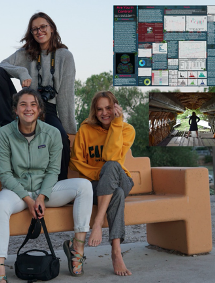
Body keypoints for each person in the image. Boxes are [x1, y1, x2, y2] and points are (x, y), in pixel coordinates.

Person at [0, 88, 92, 283]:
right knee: (0, 205)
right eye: (23, 104)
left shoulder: (52, 133)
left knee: (84, 186)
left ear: (40, 110)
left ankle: (76, 250)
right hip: (17, 191)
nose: (28, 109)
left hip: (46, 190)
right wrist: (29, 200)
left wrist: (42, 197)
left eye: (33, 105)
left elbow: (54, 170)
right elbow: (4, 174)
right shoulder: (5, 133)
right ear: (16, 110)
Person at [0, 12, 76, 181]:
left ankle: (59, 186)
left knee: (61, 138)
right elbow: (1, 66)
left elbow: (66, 95)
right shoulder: (25, 53)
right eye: (34, 29)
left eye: (43, 26)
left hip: (47, 109)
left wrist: (69, 130)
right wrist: (22, 72)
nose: (39, 31)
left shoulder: (65, 56)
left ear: (51, 28)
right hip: (25, 106)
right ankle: (10, 125)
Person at [69, 91, 135, 276]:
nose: (104, 113)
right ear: (94, 111)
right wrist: (100, 174)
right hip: (96, 185)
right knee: (117, 193)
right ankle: (116, 252)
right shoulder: (85, 130)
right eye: (100, 109)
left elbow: (111, 157)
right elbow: (75, 162)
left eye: (108, 108)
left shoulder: (126, 129)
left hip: (122, 178)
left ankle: (97, 223)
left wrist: (116, 123)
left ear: (116, 107)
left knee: (112, 166)